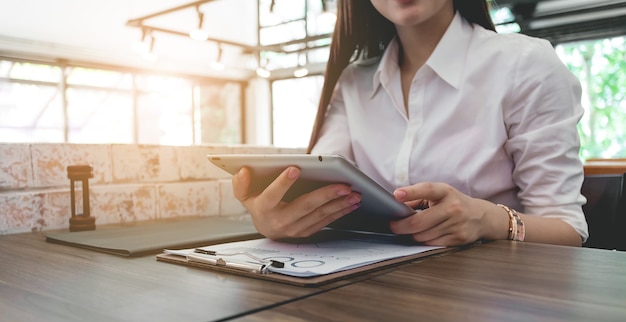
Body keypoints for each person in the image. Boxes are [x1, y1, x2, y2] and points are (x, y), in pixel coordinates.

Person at [233, 0, 588, 247]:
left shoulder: (526, 65)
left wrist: (487, 220)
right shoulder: (353, 83)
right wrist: (274, 218)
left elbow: (568, 229)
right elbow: (318, 188)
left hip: (494, 302)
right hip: (373, 296)